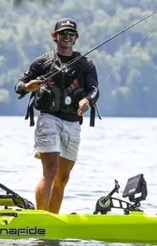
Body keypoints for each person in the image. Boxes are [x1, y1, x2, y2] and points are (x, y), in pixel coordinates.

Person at [14, 17, 100, 214]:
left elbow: (95, 90)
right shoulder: (42, 62)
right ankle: (41, 217)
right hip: (49, 119)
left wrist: (87, 100)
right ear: (55, 36)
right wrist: (28, 87)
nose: (67, 37)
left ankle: (52, 219)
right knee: (51, 171)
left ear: (76, 37)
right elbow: (19, 85)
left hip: (73, 123)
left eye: (71, 33)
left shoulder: (85, 64)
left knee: (63, 178)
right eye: (63, 33)